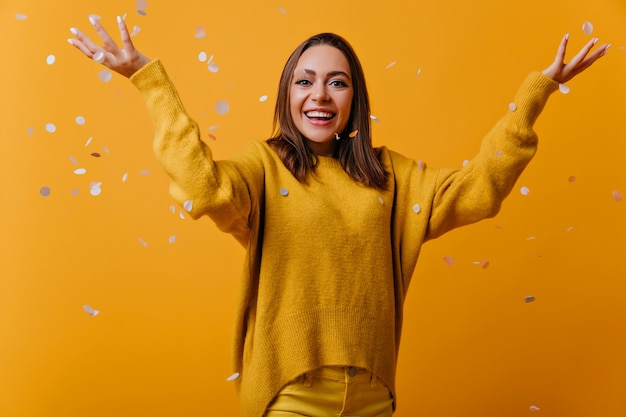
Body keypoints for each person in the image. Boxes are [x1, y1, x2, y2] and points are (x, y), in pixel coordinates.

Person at [68, 15, 609, 417]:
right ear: (287, 94)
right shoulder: (263, 168)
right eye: (304, 81)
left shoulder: (391, 177)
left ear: (354, 97)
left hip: (375, 398)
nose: (319, 95)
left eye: (337, 81)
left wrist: (535, 95)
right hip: (291, 395)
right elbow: (204, 191)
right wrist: (149, 81)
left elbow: (480, 191)